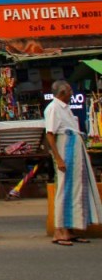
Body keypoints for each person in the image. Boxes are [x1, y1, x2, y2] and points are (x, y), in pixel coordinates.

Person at [45, 80, 102, 245]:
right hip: (66, 150)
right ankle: (59, 231)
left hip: (75, 150)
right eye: (70, 91)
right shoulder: (54, 108)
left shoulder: (66, 108)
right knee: (65, 189)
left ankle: (70, 229)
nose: (72, 93)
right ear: (63, 92)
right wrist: (59, 158)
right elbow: (50, 134)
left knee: (77, 189)